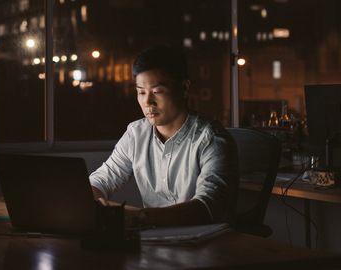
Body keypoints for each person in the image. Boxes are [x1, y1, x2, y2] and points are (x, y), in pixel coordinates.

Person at [89, 46, 239, 227]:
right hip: (155, 240)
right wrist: (91, 201)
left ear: (184, 88)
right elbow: (103, 179)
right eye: (141, 92)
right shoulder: (136, 134)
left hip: (209, 242)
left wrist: (138, 217)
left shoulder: (211, 139)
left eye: (157, 92)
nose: (147, 102)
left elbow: (207, 207)